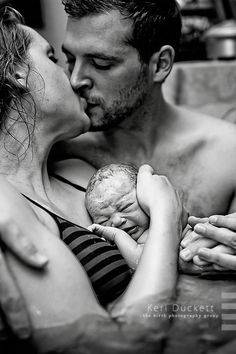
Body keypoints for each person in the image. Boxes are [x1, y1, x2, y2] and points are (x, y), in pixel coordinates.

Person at [0, 6, 185, 353]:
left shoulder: (79, 172)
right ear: (17, 73)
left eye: (100, 63)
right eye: (54, 57)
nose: (73, 80)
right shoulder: (8, 208)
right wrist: (166, 217)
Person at [56, 0, 236, 271]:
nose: (76, 79)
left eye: (101, 63)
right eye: (70, 59)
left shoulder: (227, 155)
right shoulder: (60, 149)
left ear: (160, 64)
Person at [85, 163, 189, 270]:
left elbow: (140, 261)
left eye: (125, 207)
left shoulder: (173, 216)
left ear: (145, 195)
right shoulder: (131, 243)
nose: (116, 221)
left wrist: (116, 235)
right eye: (103, 221)